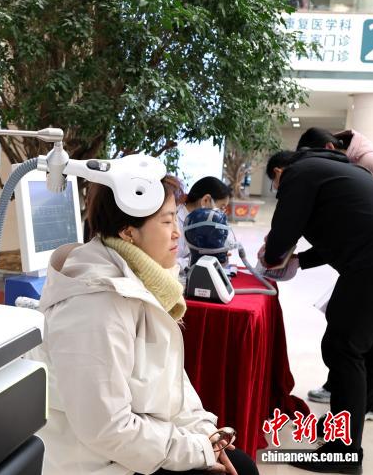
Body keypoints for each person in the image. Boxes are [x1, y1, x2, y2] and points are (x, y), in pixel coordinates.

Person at [30, 174, 258, 475]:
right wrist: (195, 450)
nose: (177, 233)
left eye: (175, 219)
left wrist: (206, 433)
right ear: (128, 232)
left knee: (239, 464)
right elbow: (106, 428)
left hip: (135, 444)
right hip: (99, 462)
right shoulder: (96, 305)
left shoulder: (143, 283)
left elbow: (171, 384)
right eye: (166, 222)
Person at [261, 148, 373, 474]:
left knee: (343, 349)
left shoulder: (298, 173)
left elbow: (281, 235)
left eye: (277, 186)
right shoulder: (343, 171)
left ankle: (343, 452)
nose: (280, 191)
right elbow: (347, 230)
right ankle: (344, 428)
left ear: (278, 172)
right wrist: (300, 261)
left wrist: (273, 256)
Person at [297, 127, 373, 420]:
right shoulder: (355, 165)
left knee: (358, 344)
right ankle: (360, 406)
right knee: (364, 340)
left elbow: (372, 221)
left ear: (328, 148)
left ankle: (363, 409)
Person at [177, 177, 232, 273]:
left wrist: (215, 254)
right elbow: (170, 263)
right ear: (205, 200)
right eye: (221, 207)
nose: (222, 214)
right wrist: (202, 259)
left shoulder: (199, 225)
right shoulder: (175, 221)